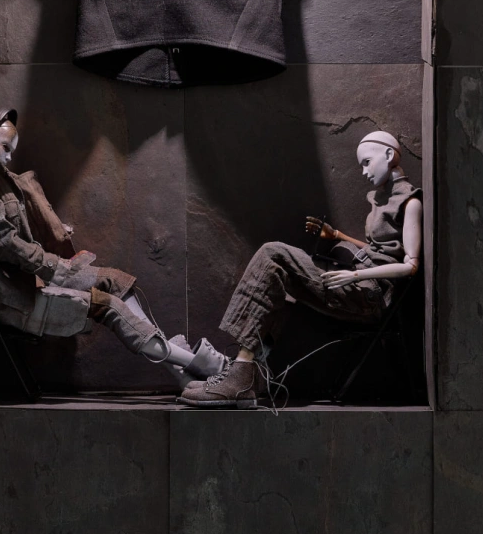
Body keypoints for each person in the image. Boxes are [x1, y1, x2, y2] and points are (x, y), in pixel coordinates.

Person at [0, 108, 227, 387]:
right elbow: (4, 244)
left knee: (116, 280)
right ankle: (195, 362)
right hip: (15, 294)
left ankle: (179, 372)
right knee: (111, 306)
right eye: (6, 147)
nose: (10, 157)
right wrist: (54, 265)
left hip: (32, 276)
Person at [178, 131, 423, 408]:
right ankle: (246, 373)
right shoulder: (382, 199)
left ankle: (240, 377)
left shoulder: (410, 202)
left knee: (272, 254)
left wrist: (355, 274)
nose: (364, 172)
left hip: (370, 295)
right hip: (360, 286)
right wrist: (338, 236)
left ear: (389, 155)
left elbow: (410, 266)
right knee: (277, 278)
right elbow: (379, 249)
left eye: (367, 162)